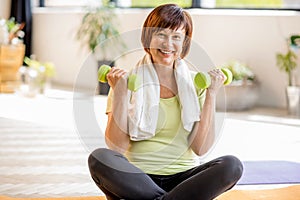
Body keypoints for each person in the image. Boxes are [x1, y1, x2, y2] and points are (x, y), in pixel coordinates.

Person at [88, 4, 243, 200]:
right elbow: (117, 147)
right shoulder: (124, 82)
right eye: (161, 34)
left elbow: (200, 149)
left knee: (232, 165)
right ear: (148, 38)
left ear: (184, 43)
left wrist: (211, 93)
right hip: (138, 180)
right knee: (100, 158)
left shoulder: (197, 85)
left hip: (184, 179)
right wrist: (119, 93)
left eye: (176, 37)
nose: (168, 44)